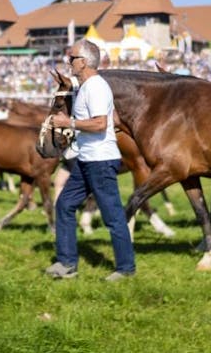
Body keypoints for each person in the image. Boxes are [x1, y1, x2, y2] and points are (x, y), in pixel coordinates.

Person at [47, 39, 136, 281]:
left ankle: (126, 269)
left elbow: (101, 123)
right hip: (87, 160)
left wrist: (68, 123)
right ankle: (67, 264)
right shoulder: (86, 86)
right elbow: (115, 119)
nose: (69, 62)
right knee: (64, 205)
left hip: (100, 162)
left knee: (113, 216)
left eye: (72, 58)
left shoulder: (95, 87)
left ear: (84, 62)